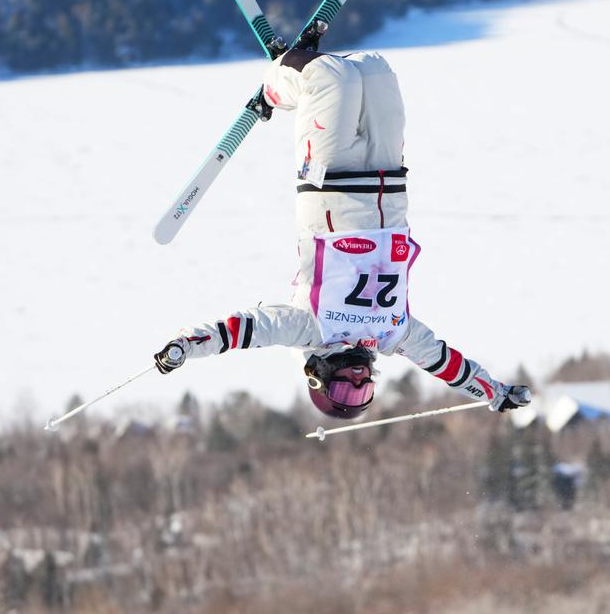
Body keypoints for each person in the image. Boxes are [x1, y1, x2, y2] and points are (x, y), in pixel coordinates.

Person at [154, 45, 532, 420]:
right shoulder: (393, 335)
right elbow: (447, 365)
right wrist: (495, 394)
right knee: (374, 69)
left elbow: (242, 330)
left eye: (343, 388)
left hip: (330, 177)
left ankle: (275, 86)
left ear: (317, 377)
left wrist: (186, 346)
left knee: (329, 77)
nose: (357, 379)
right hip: (388, 179)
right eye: (364, 389)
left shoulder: (310, 329)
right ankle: (300, 68)